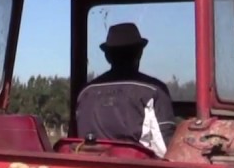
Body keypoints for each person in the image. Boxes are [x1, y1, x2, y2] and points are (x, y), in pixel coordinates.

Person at [74, 22, 177, 158]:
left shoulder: (85, 92)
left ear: (107, 57)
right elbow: (166, 150)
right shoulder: (154, 91)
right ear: (140, 53)